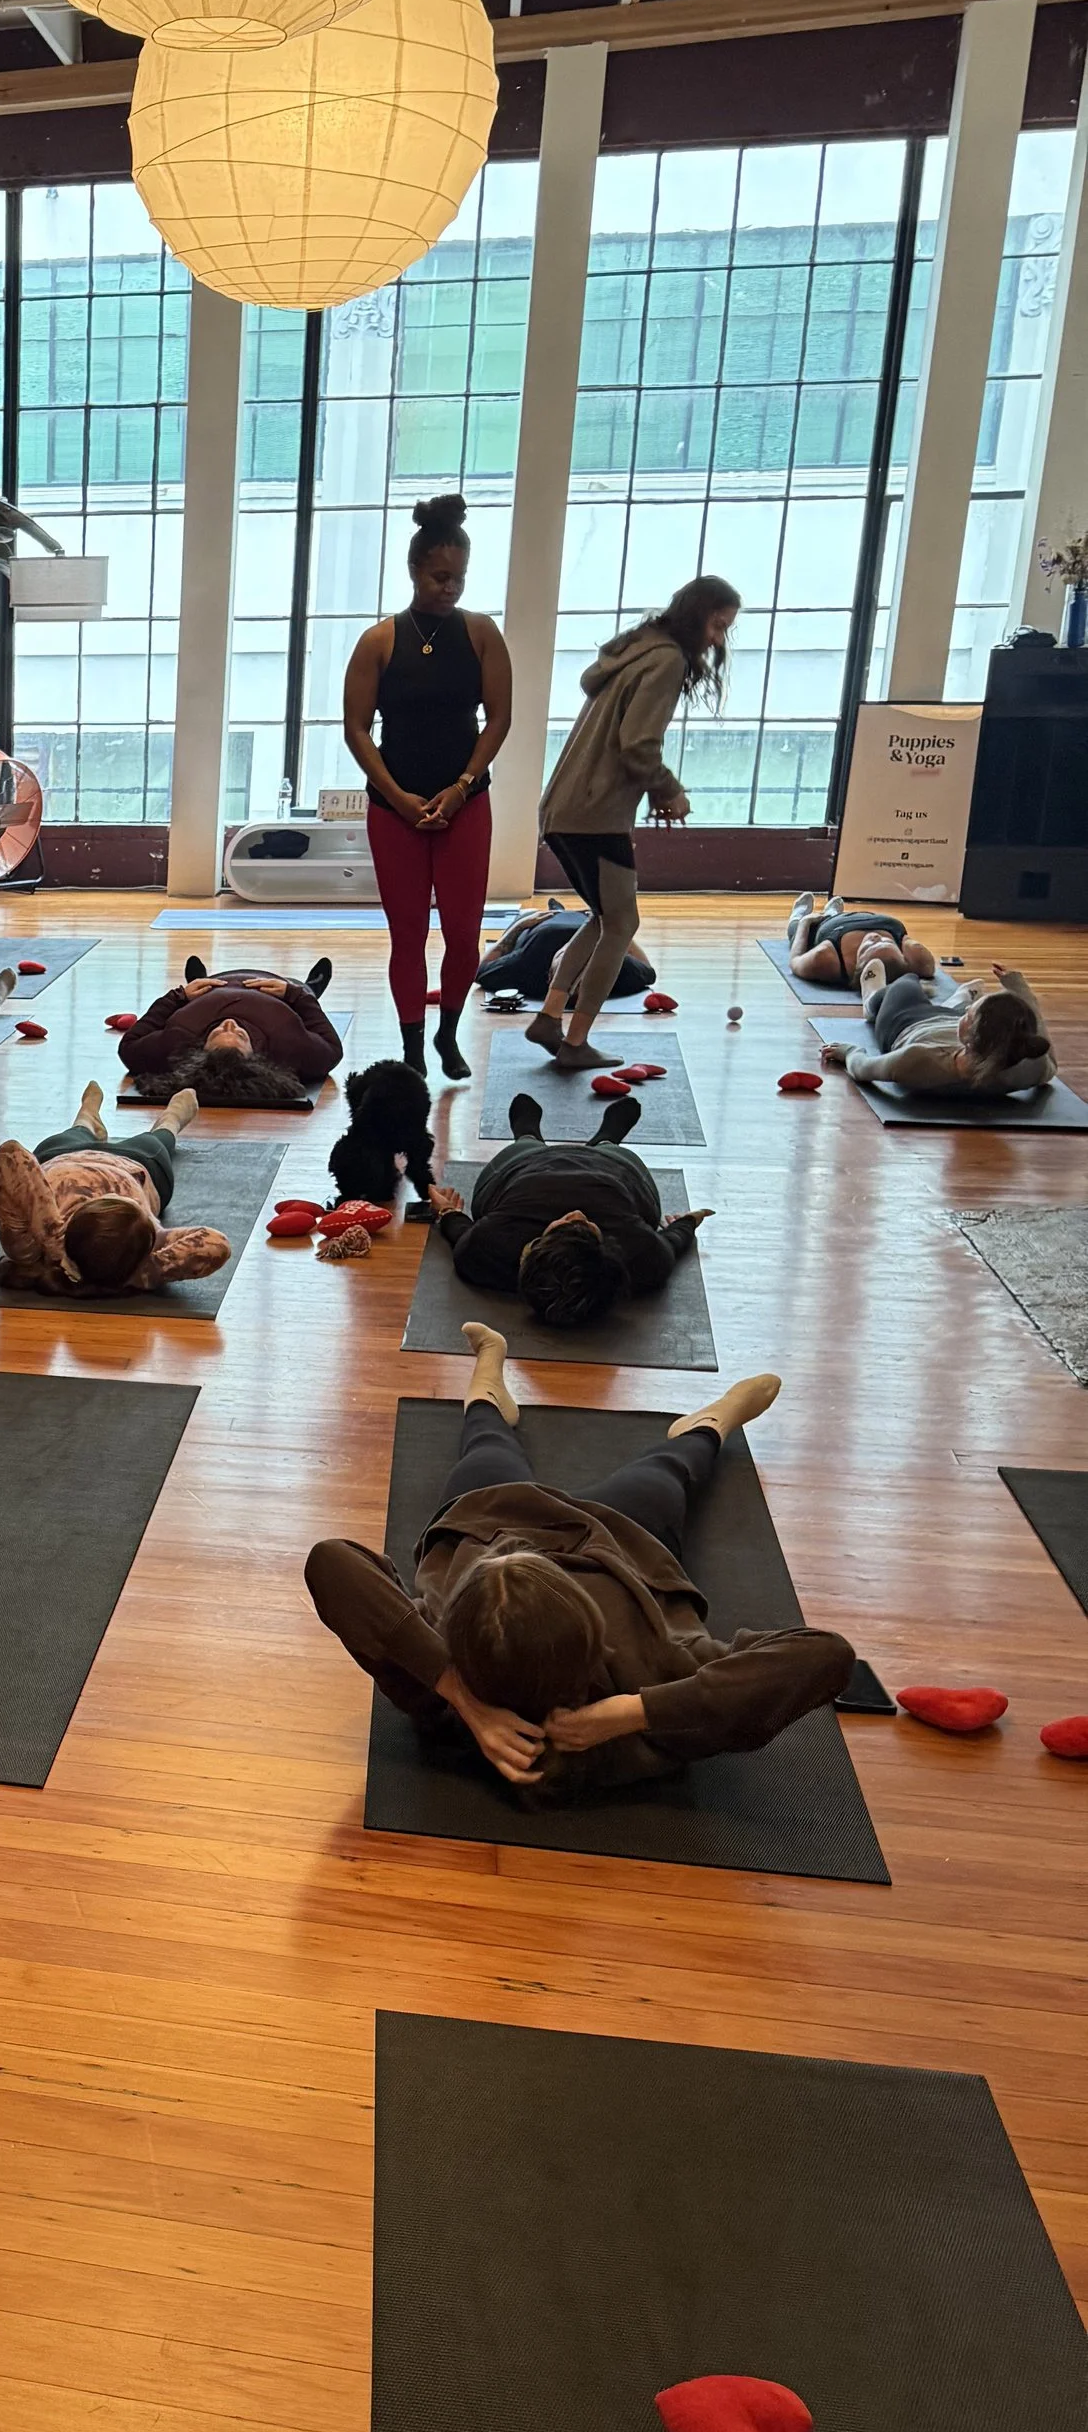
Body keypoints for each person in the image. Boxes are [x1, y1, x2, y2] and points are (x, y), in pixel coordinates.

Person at [304, 1328, 850, 1799]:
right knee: (670, 1468)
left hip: (490, 1516)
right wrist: (632, 1712)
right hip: (620, 1534)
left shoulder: (443, 1688)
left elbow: (331, 1562)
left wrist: (456, 1691)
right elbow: (827, 1655)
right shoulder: (660, 1670)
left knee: (487, 1448)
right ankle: (712, 1423)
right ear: (593, 1635)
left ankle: (490, 1375)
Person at [529, 575, 740, 1072]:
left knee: (605, 918)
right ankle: (575, 1041)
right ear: (696, 616)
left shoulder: (636, 652)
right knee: (623, 923)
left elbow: (623, 743)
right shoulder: (666, 660)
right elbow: (638, 745)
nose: (717, 639)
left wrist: (649, 790)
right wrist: (670, 790)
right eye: (716, 625)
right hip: (593, 816)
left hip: (565, 809)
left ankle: (549, 1017)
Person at [342, 492, 515, 1081]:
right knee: (408, 934)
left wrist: (463, 786)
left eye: (460, 578)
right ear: (415, 571)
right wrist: (395, 795)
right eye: (441, 576)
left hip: (465, 805)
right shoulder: (379, 641)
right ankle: (413, 1047)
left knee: (464, 935)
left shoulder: (483, 635)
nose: (451, 588)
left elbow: (499, 719)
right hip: (396, 811)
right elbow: (357, 730)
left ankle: (447, 1033)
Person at [424, 1093, 710, 1328]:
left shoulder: (488, 1246)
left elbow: (460, 1231)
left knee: (523, 1150)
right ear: (609, 1251)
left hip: (524, 1166)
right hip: (611, 1167)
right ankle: (607, 1138)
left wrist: (446, 1210)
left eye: (564, 1224)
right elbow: (671, 1244)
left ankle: (527, 1136)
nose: (576, 1213)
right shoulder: (641, 1253)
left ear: (535, 1245)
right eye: (587, 1226)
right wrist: (685, 1223)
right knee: (616, 1158)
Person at [0, 1081, 227, 1295]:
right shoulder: (150, 1243)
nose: (110, 1193)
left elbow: (11, 1153)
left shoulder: (28, 1247)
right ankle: (172, 1118)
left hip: (63, 1156)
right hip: (137, 1162)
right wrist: (145, 1272)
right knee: (160, 1137)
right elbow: (216, 1245)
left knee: (75, 1132)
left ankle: (87, 1117)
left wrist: (53, 1239)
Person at [820, 954, 1054, 1100]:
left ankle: (871, 1001)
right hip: (948, 1022)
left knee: (907, 981)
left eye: (969, 1014)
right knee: (952, 1011)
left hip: (908, 1022)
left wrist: (849, 1051)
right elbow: (1046, 1053)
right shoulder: (1026, 1068)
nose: (967, 1015)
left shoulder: (918, 1060)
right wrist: (1020, 990)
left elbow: (862, 1069)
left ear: (972, 1036)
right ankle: (957, 1002)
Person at [117, 955, 341, 1100]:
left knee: (199, 986)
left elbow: (128, 1046)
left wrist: (179, 996)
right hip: (278, 986)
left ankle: (197, 979)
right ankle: (311, 986)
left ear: (200, 1050)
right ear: (257, 1056)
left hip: (212, 985)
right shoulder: (288, 1045)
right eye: (241, 1036)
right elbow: (332, 1049)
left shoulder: (177, 1042)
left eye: (218, 1033)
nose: (230, 1024)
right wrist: (297, 995)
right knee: (306, 993)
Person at [474, 898, 655, 1009]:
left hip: (538, 922)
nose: (569, 951)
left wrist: (519, 926)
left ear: (549, 977)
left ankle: (555, 910)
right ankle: (564, 910)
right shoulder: (613, 969)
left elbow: (481, 969)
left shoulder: (525, 966)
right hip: (587, 921)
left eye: (564, 961)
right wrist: (608, 926)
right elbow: (647, 968)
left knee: (528, 914)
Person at [784, 891, 928, 993]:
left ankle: (797, 915)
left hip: (827, 927)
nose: (876, 937)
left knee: (796, 932)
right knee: (833, 916)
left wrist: (805, 922)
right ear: (903, 956)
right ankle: (833, 912)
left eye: (869, 947)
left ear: (858, 963)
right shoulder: (918, 959)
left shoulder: (825, 959)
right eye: (887, 942)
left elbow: (795, 961)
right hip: (859, 918)